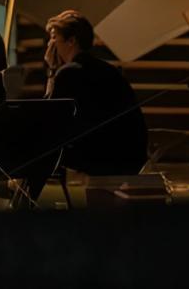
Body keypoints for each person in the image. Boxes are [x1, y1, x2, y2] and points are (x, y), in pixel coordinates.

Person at [44, 9, 147, 175]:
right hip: (130, 154)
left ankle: (20, 192)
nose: (50, 44)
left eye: (54, 37)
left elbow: (49, 116)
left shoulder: (70, 72)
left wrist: (51, 70)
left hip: (100, 155)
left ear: (71, 41)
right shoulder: (109, 69)